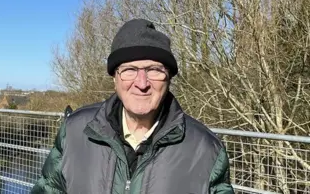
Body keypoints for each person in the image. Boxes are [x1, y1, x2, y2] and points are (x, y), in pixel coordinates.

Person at [31, 18, 235, 193]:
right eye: (129, 70)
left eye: (154, 70)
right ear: (114, 78)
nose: (142, 83)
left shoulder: (206, 150)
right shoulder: (75, 131)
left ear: (169, 77)